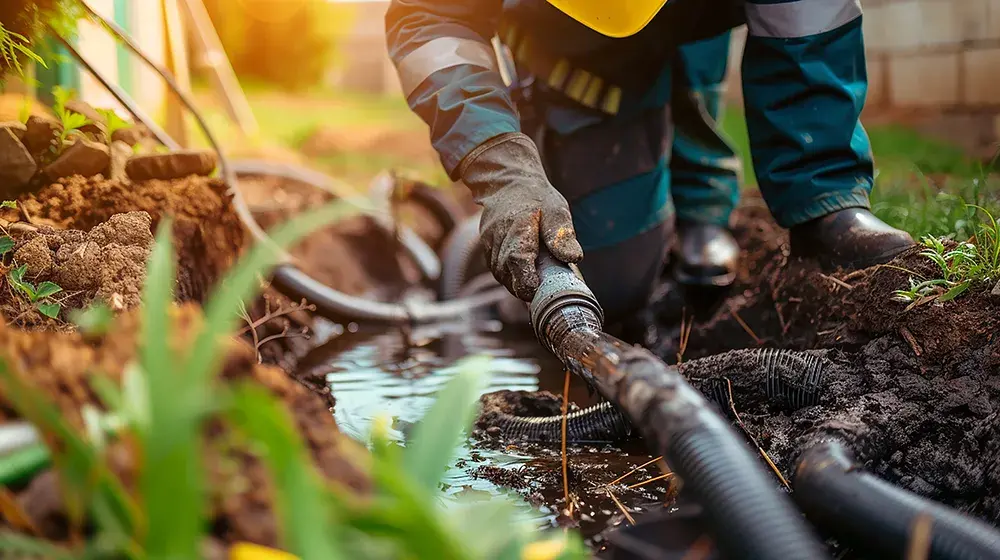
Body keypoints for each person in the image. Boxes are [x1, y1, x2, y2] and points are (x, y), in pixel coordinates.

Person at [386, 0, 915, 323]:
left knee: (701, 68)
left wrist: (826, 196)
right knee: (610, 291)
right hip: (574, 44)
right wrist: (504, 172)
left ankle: (800, 204)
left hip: (694, 12)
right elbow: (429, 20)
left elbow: (811, 13)